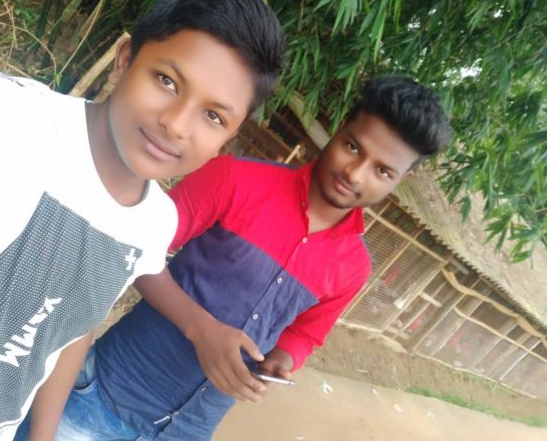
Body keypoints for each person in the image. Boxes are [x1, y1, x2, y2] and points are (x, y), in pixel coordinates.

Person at [0, 0, 285, 441]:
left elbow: (70, 328)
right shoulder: (7, 121)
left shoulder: (153, 223)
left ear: (228, 137)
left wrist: (40, 435)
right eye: (167, 81)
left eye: (213, 116)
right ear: (124, 60)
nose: (175, 124)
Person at [54, 76, 451, 440]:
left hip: (190, 430)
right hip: (105, 396)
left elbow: (306, 333)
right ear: (339, 130)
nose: (356, 174)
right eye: (353, 147)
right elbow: (134, 247)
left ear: (402, 180)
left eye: (382, 171)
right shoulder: (234, 179)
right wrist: (201, 330)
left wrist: (282, 360)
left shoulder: (353, 267)